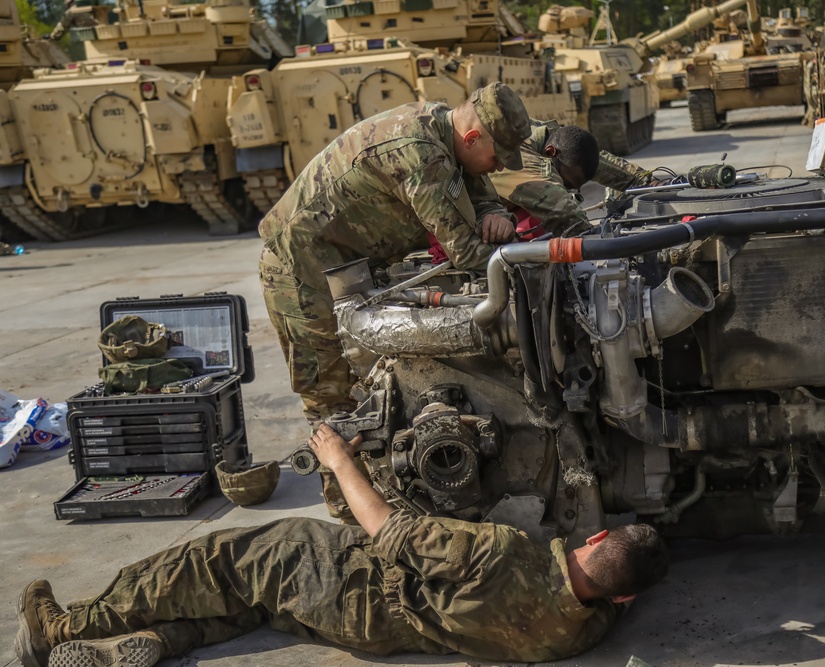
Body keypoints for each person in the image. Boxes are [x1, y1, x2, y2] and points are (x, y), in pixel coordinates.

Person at [15, 424, 671, 667]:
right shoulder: (581, 633)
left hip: (348, 581)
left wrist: (336, 459)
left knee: (215, 560)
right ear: (628, 593)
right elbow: (609, 592)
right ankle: (161, 642)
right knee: (259, 606)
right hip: (382, 634)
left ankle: (64, 625)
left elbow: (386, 527)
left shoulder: (505, 552)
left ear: (597, 534)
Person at [258, 83, 531, 522]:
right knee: (332, 392)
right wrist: (528, 258)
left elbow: (479, 193)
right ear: (474, 136)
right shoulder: (420, 152)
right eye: (497, 157)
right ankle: (349, 512)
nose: (499, 167)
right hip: (301, 268)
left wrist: (496, 215)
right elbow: (464, 251)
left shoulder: (447, 131)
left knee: (373, 383)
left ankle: (378, 493)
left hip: (348, 264)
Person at [489, 120, 661, 238]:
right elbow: (561, 208)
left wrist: (643, 181)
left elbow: (584, 155)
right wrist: (590, 237)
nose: (564, 188)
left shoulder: (549, 139)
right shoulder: (521, 157)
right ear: (549, 153)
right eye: (566, 184)